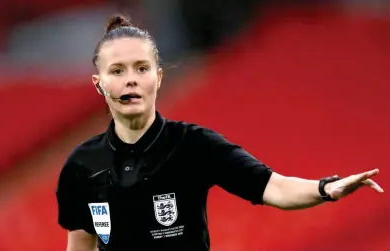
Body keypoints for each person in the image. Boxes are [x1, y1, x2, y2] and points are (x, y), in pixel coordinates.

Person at [55, 15, 384, 251]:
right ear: (99, 84)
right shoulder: (81, 165)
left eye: (141, 68)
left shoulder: (194, 145)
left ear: (158, 77)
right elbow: (81, 247)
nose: (131, 80)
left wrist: (326, 187)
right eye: (117, 71)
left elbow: (275, 187)